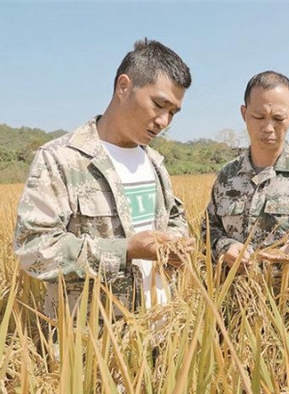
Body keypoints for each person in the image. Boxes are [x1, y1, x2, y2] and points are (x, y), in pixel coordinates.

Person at [14, 38, 194, 320]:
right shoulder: (61, 159)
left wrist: (177, 242)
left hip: (160, 333)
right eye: (159, 105)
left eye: (173, 112)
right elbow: (34, 249)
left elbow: (174, 218)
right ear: (124, 87)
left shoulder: (155, 163)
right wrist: (124, 251)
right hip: (91, 343)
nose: (164, 121)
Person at [202, 71, 289, 272]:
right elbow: (208, 231)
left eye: (278, 118)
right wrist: (225, 247)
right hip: (232, 300)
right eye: (259, 116)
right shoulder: (226, 177)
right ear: (244, 114)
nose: (269, 127)